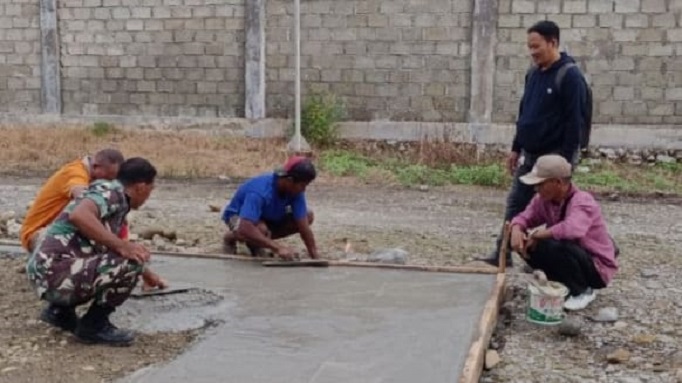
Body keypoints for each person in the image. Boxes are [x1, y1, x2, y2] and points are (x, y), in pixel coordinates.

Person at [477, 20, 588, 267]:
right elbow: (525, 113)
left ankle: (556, 262)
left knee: (553, 210)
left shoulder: (569, 76)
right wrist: (516, 148)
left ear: (553, 42)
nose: (533, 52)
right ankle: (501, 254)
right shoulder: (533, 73)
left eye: (536, 46)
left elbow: (574, 123)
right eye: (529, 47)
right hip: (530, 153)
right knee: (516, 203)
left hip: (554, 158)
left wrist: (566, 163)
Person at [26, 157, 160, 346]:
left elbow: (103, 243)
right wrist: (124, 247)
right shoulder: (112, 194)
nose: (149, 195)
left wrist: (148, 274)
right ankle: (94, 326)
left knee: (103, 254)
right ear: (140, 187)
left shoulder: (112, 196)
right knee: (132, 263)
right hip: (53, 275)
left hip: (47, 273)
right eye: (150, 189)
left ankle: (59, 312)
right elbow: (78, 215)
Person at [509, 154, 618, 311]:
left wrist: (538, 234)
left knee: (556, 245)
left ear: (558, 183)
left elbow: (572, 230)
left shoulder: (582, 200)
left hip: (595, 267)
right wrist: (516, 228)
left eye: (540, 184)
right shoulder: (541, 200)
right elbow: (525, 216)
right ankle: (561, 284)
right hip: (573, 257)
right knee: (525, 243)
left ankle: (583, 290)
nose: (536, 188)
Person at [21, 149, 125, 253]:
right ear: (95, 166)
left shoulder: (92, 176)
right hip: (37, 233)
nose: (110, 182)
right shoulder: (76, 173)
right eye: (108, 177)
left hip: (57, 229)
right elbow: (82, 196)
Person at [222, 156, 319, 261]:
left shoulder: (296, 191)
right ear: (290, 180)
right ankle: (231, 237)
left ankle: (257, 242)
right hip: (241, 217)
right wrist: (278, 248)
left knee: (308, 215)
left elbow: (303, 226)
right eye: (303, 185)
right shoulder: (259, 191)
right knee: (260, 229)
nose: (304, 189)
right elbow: (245, 226)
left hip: (267, 216)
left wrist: (315, 256)